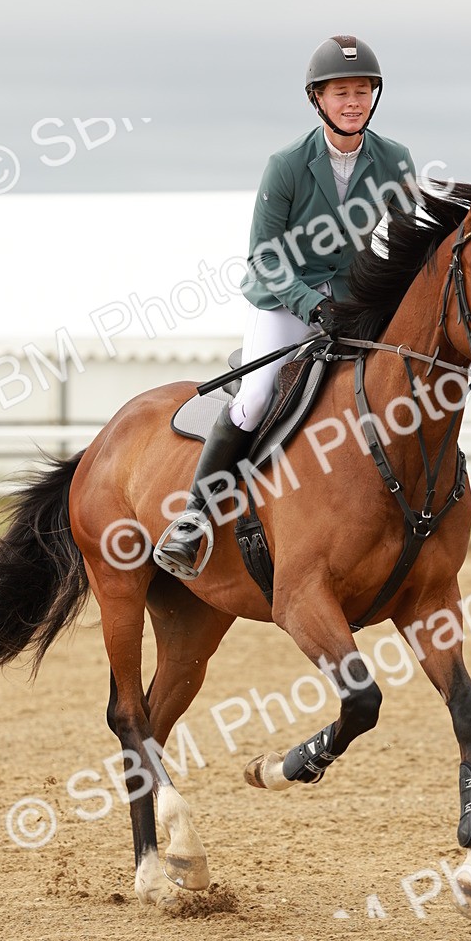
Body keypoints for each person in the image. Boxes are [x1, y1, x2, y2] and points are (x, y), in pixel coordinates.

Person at [155, 34, 416, 577]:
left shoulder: (395, 159)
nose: (353, 102)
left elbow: (407, 240)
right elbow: (264, 257)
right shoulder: (288, 164)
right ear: (317, 99)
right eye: (341, 92)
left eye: (363, 91)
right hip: (284, 301)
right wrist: (310, 305)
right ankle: (192, 520)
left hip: (359, 305)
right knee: (255, 398)